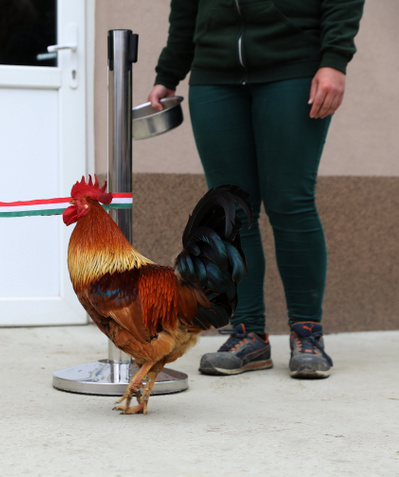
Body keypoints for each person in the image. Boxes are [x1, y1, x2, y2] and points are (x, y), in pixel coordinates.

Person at [148, 0, 364, 379]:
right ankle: (247, 333)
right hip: (214, 74)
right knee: (230, 212)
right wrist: (169, 71)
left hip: (292, 67)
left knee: (290, 203)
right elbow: (185, 8)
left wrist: (334, 59)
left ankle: (307, 333)